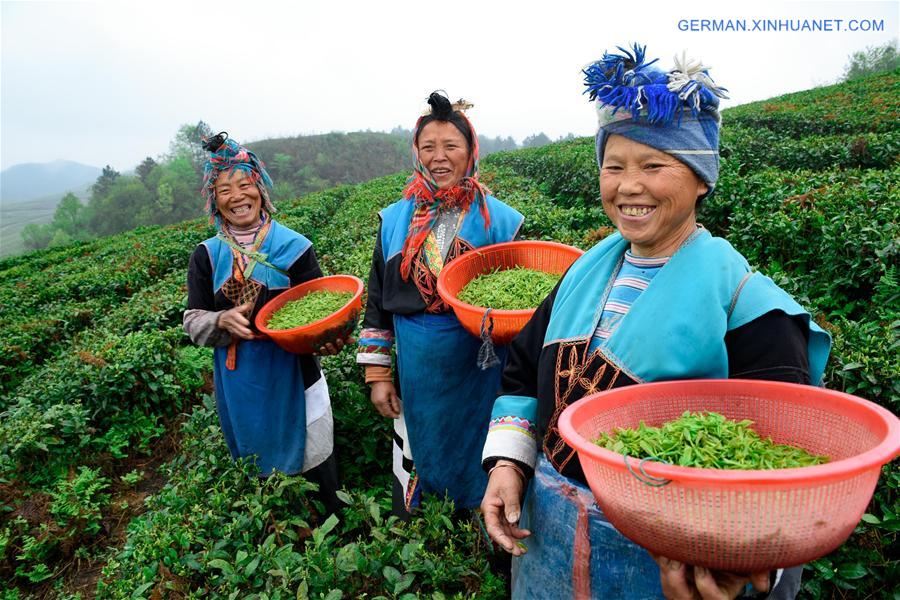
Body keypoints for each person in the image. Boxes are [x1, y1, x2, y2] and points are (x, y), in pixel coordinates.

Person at [480, 45, 832, 599]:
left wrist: (729, 558)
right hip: (549, 537)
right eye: (613, 166)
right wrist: (509, 464)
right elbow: (523, 374)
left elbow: (776, 460)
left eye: (653, 165)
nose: (628, 186)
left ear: (700, 179)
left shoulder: (749, 305)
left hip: (670, 558)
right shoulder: (579, 277)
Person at [357, 92, 525, 518]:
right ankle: (428, 532)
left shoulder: (501, 221)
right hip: (419, 366)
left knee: (477, 445)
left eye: (451, 146)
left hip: (479, 364)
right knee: (424, 444)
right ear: (416, 153)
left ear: (470, 152)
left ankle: (482, 524)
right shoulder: (395, 220)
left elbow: (522, 300)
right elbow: (377, 302)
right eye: (428, 147)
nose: (439, 157)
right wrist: (378, 374)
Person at [183, 132, 344, 515]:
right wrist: (221, 320)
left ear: (260, 188)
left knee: (315, 456)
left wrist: (328, 335)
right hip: (242, 380)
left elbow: (320, 310)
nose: (237, 196)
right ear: (215, 201)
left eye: (244, 184)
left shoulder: (295, 247)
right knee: (260, 467)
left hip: (295, 373)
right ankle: (278, 536)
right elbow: (192, 320)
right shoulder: (207, 255)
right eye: (225, 190)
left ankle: (333, 533)